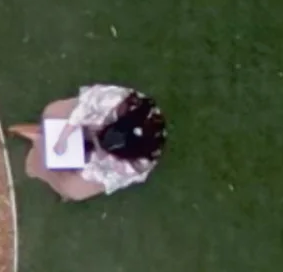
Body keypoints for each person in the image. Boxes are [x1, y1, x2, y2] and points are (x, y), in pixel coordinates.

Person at [9, 86, 167, 202]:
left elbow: (100, 172)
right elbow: (85, 108)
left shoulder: (132, 166)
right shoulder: (114, 100)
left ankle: (43, 154)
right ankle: (46, 134)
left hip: (102, 162)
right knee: (52, 112)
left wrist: (83, 158)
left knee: (73, 190)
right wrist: (64, 136)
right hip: (93, 121)